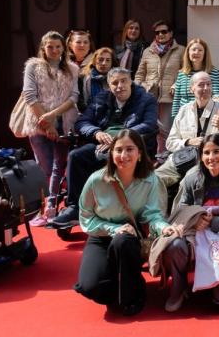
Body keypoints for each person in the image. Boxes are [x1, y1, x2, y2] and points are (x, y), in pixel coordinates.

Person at [74, 130, 176, 316]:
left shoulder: (151, 180)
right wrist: (114, 228)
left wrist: (164, 228)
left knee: (123, 241)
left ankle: (133, 292)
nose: (124, 155)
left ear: (139, 154)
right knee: (89, 287)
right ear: (111, 154)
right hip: (101, 235)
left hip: (131, 239)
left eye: (130, 149)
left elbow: (153, 215)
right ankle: (120, 286)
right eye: (118, 150)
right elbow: (86, 217)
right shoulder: (96, 180)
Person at [48, 68, 158, 229]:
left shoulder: (146, 98)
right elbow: (82, 122)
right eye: (114, 83)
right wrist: (96, 132)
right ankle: (74, 207)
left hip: (132, 144)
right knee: (76, 156)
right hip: (103, 142)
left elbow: (149, 125)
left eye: (123, 81)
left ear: (131, 81)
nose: (119, 86)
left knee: (114, 158)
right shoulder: (102, 98)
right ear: (109, 85)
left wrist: (119, 139)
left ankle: (113, 207)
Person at [161, 133, 219, 312]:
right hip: (196, 237)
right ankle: (179, 287)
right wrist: (194, 221)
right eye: (206, 153)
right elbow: (180, 212)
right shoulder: (191, 177)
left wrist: (215, 223)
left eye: (216, 152)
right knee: (174, 245)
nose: (211, 158)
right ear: (201, 156)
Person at [22, 30, 79, 227]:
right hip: (37, 124)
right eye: (50, 47)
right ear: (43, 48)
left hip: (63, 124)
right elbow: (29, 95)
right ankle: (42, 207)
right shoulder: (33, 66)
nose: (54, 50)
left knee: (58, 166)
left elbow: (74, 97)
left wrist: (54, 116)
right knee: (43, 167)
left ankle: (51, 207)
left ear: (64, 48)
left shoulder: (72, 68)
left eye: (58, 47)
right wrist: (46, 122)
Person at [156, 71, 219, 190]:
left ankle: (181, 209)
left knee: (186, 183)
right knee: (154, 179)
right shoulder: (184, 110)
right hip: (181, 160)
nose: (206, 88)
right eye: (201, 85)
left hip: (206, 163)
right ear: (191, 89)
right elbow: (170, 143)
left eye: (209, 84)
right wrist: (188, 142)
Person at [134, 19, 183, 153]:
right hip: (149, 97)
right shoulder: (147, 52)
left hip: (169, 98)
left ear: (171, 33)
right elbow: (139, 74)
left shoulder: (181, 51)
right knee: (148, 130)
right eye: (157, 32)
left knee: (166, 131)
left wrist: (176, 84)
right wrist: (140, 87)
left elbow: (185, 72)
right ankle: (152, 159)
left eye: (164, 31)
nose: (160, 35)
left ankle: (165, 159)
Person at [171, 38, 219, 119]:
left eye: (200, 50)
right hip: (184, 117)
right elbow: (177, 99)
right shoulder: (182, 73)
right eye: (193, 49)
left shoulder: (213, 72)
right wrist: (175, 118)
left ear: (205, 53)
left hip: (205, 117)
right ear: (188, 52)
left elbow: (217, 97)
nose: (196, 52)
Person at [77, 46, 113, 114]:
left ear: (112, 63)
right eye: (100, 59)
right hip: (88, 114)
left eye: (108, 60)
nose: (104, 63)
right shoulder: (82, 78)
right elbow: (79, 102)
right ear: (94, 61)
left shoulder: (117, 79)